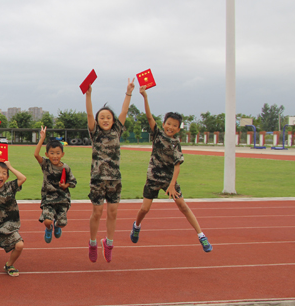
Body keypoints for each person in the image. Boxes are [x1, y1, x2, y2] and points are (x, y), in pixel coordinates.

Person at [130, 86, 213, 252]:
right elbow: (148, 116)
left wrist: (172, 184)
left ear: (178, 128)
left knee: (183, 206)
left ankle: (201, 236)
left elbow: (177, 166)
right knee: (144, 209)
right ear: (164, 124)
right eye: (168, 124)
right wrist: (145, 96)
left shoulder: (176, 144)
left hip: (169, 180)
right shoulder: (158, 134)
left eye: (174, 125)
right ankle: (136, 226)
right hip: (153, 178)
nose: (170, 127)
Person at [84, 79, 133, 262]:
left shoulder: (117, 130)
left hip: (114, 180)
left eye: (108, 117)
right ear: (98, 121)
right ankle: (93, 242)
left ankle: (109, 243)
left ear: (113, 121)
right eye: (102, 117)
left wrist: (128, 92)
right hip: (97, 180)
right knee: (97, 213)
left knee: (112, 213)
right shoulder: (95, 133)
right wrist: (88, 95)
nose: (105, 120)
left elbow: (125, 111)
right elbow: (89, 113)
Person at [33, 126, 77, 244]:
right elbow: (36, 154)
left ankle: (57, 225)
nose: (55, 156)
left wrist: (65, 185)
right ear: (47, 154)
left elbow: (73, 182)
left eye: (58, 153)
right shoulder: (46, 164)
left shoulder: (65, 168)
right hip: (48, 199)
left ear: (62, 154)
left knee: (62, 223)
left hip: (62, 199)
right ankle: (49, 228)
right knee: (47, 221)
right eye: (52, 153)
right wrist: (42, 138)